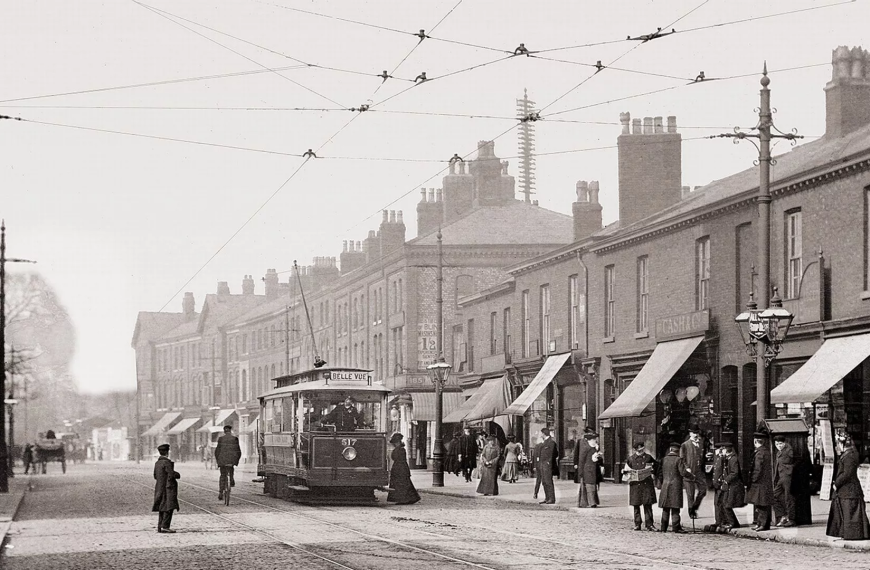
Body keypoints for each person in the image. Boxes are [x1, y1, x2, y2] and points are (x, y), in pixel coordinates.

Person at [826, 432, 870, 540]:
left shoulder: (849, 456)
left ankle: (853, 534)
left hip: (849, 489)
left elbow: (847, 473)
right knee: (847, 511)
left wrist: (837, 484)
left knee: (850, 511)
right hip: (848, 489)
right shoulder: (850, 454)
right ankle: (847, 533)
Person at [622, 441, 657, 531]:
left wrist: (652, 472)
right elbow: (626, 472)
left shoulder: (648, 458)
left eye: (642, 449)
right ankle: (637, 524)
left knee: (648, 504)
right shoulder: (631, 459)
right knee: (636, 505)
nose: (640, 451)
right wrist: (625, 472)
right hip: (635, 484)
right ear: (635, 450)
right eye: (638, 450)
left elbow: (656, 467)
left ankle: (649, 524)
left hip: (646, 484)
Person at [746, 432, 774, 531]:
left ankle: (763, 524)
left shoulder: (760, 453)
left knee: (762, 504)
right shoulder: (765, 451)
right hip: (764, 482)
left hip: (760, 483)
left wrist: (753, 479)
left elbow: (758, 468)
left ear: (755, 441)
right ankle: (760, 523)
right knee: (760, 504)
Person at [659, 441, 687, 533]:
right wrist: (692, 476)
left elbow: (660, 473)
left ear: (670, 450)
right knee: (675, 508)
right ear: (678, 451)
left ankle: (663, 527)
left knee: (665, 508)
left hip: (665, 485)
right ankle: (676, 527)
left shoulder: (664, 459)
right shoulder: (679, 460)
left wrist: (661, 483)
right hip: (675, 486)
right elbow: (683, 472)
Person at [152, 443, 181, 533]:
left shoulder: (157, 463)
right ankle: (165, 526)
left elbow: (155, 476)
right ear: (167, 452)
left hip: (160, 487)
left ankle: (160, 526)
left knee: (162, 507)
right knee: (169, 507)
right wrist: (177, 474)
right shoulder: (167, 462)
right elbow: (171, 474)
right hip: (168, 488)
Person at [680, 424, 706, 519]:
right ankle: (691, 512)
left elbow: (702, 456)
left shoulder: (701, 443)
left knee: (703, 490)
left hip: (699, 471)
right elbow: (682, 459)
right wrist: (686, 467)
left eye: (697, 433)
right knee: (690, 494)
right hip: (689, 472)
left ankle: (694, 507)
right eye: (693, 433)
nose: (695, 435)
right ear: (690, 433)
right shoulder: (685, 445)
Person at [387, 433, 420, 505]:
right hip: (401, 467)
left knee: (401, 484)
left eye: (395, 443)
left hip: (399, 468)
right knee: (405, 483)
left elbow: (394, 457)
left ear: (398, 442)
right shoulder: (401, 449)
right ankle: (410, 498)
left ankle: (403, 499)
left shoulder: (400, 450)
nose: (395, 444)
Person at [719, 441, 745, 530]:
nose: (721, 451)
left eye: (723, 449)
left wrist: (726, 480)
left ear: (727, 450)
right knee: (726, 504)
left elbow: (735, 472)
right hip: (730, 485)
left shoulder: (733, 459)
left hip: (733, 485)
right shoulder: (729, 458)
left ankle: (733, 523)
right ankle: (734, 523)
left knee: (727, 504)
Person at [574, 432, 603, 508]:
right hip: (587, 469)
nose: (595, 441)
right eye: (593, 439)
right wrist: (580, 471)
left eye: (595, 439)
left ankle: (587, 502)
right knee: (589, 485)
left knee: (592, 486)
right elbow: (581, 460)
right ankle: (592, 502)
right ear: (589, 440)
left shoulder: (594, 447)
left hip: (593, 470)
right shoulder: (586, 448)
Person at [773, 435, 797, 527]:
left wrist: (790, 469)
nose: (778, 446)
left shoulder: (788, 450)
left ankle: (791, 519)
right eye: (776, 444)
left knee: (789, 498)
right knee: (774, 496)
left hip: (787, 477)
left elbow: (791, 459)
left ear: (784, 443)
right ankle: (783, 516)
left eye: (780, 443)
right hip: (781, 477)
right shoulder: (780, 451)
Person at [214, 425, 242, 501]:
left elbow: (217, 451)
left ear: (224, 431)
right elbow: (238, 451)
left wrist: (218, 461)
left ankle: (220, 492)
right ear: (230, 431)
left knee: (223, 475)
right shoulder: (235, 439)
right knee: (231, 469)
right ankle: (232, 480)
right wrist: (236, 461)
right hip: (231, 460)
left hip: (222, 461)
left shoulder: (221, 439)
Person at [537, 428, 560, 505]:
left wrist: (548, 462)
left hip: (547, 465)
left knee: (548, 481)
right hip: (542, 464)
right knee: (544, 482)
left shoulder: (551, 442)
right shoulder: (544, 442)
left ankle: (551, 498)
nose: (540, 435)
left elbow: (554, 453)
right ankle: (547, 498)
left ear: (544, 434)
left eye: (541, 433)